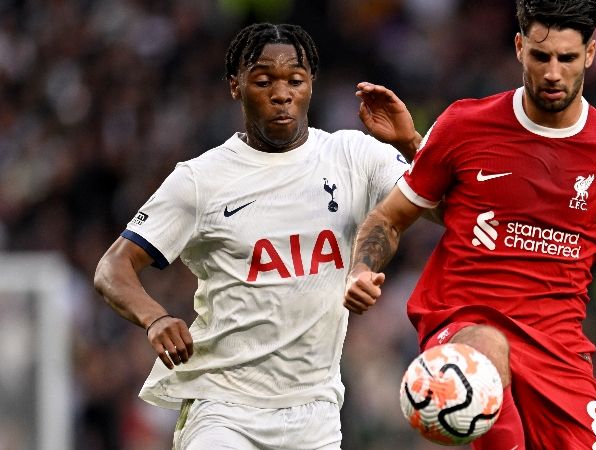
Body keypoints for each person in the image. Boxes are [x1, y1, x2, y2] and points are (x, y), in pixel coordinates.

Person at [343, 0, 596, 448]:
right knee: (487, 346)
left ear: (590, 54)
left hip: (559, 352)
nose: (553, 72)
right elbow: (390, 217)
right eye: (541, 56)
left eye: (567, 58)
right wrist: (361, 268)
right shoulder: (464, 125)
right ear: (519, 48)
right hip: (463, 323)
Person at [93, 22, 422, 449]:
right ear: (236, 86)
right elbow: (112, 267)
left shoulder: (354, 156)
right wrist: (154, 317)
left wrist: (414, 143)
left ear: (310, 86)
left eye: (295, 81)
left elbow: (441, 209)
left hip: (315, 413)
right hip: (225, 409)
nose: (281, 94)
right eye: (264, 81)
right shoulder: (200, 180)